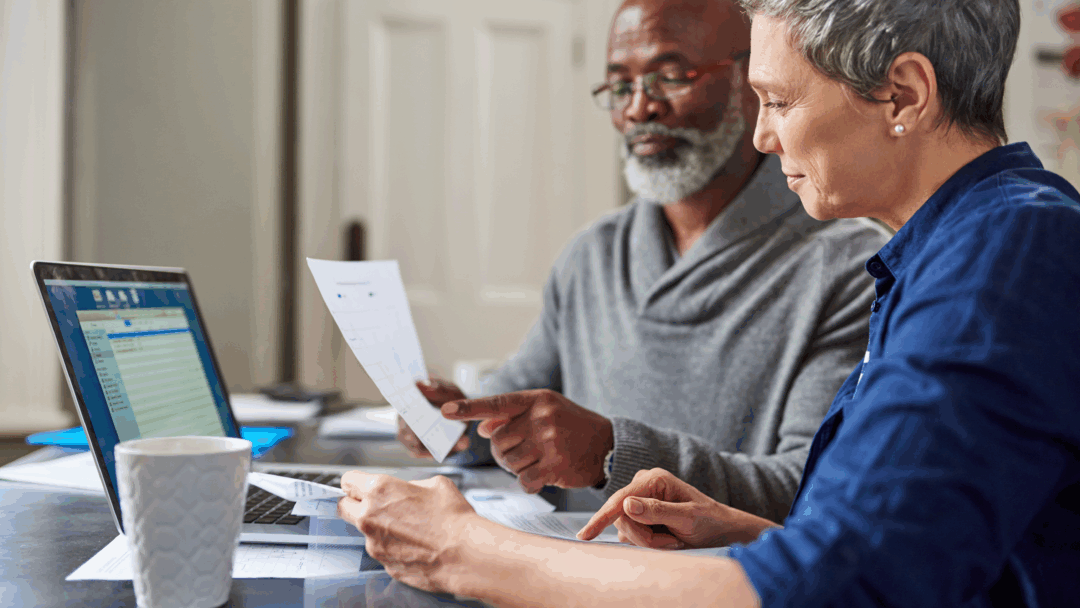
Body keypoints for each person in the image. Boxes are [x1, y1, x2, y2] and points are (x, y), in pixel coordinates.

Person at [338, 0, 1080, 606]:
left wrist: (467, 551)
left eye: (779, 100)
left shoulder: (1006, 249)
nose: (761, 132)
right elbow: (909, 550)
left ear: (904, 95)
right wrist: (742, 532)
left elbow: (844, 586)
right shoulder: (950, 249)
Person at [399, 0, 889, 522]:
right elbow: (521, 403)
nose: (638, 108)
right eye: (619, 85)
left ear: (755, 82)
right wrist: (462, 423)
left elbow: (810, 486)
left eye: (671, 76)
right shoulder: (594, 253)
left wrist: (613, 453)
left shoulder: (849, 266)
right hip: (566, 573)